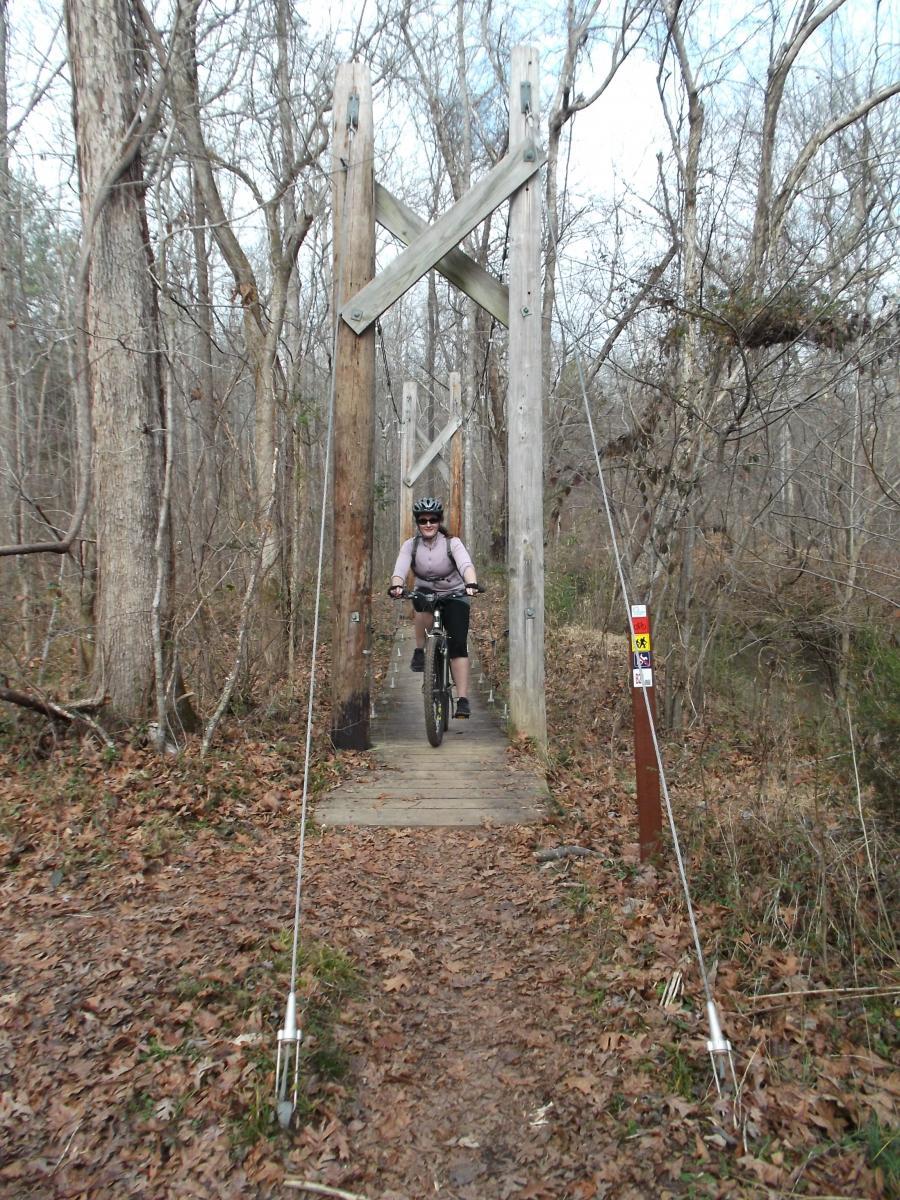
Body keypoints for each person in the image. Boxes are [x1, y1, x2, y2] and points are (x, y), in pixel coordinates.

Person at [389, 497, 479, 719]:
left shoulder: (452, 543)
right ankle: (421, 651)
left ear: (439, 521)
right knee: (422, 605)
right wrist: (397, 586)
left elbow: (465, 564)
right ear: (418, 523)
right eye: (423, 520)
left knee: (458, 644)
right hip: (426, 591)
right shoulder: (410, 546)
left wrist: (471, 583)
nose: (428, 524)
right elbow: (399, 569)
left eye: (433, 519)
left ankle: (463, 699)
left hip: (455, 592)